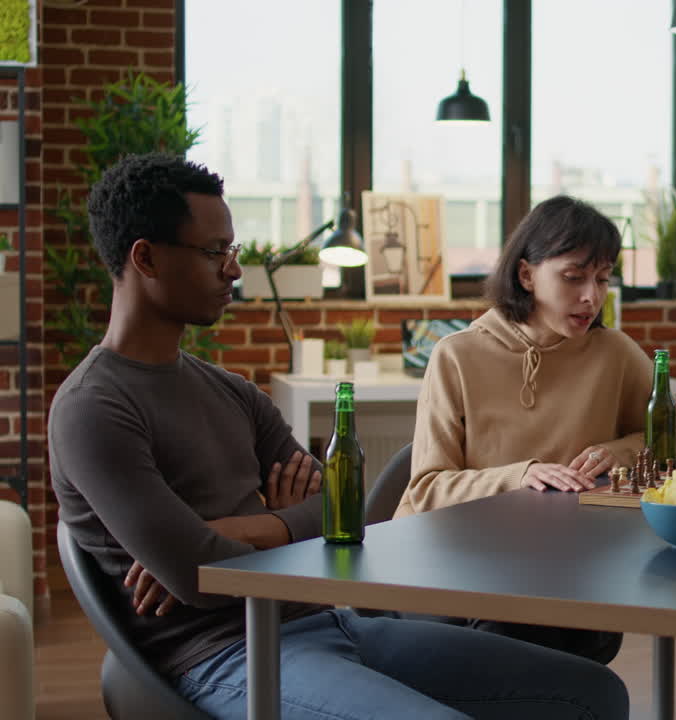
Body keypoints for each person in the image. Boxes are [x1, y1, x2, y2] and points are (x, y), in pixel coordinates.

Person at [49, 153, 630, 720]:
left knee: (595, 694)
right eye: (213, 252)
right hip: (227, 655)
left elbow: (338, 508)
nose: (233, 269)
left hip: (328, 622)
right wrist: (271, 533)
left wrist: (246, 528)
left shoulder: (231, 391)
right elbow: (200, 577)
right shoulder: (93, 409)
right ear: (145, 258)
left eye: (233, 251)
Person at [394, 194, 676, 663]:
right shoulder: (457, 356)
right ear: (526, 274)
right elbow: (428, 488)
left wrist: (618, 452)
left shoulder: (614, 352)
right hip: (451, 566)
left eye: (602, 279)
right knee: (516, 634)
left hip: (562, 570)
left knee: (558, 635)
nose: (591, 297)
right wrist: (521, 475)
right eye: (573, 277)